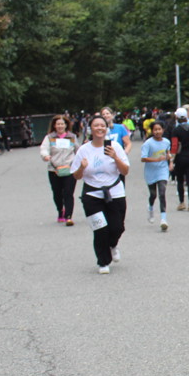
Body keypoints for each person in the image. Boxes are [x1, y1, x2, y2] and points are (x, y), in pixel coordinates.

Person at [71, 115, 130, 274]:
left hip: (114, 192)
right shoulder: (84, 150)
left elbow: (125, 171)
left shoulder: (115, 147)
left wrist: (115, 157)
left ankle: (113, 244)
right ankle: (103, 262)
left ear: (106, 128)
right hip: (92, 193)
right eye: (96, 125)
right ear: (90, 129)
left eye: (102, 125)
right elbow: (76, 176)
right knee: (100, 229)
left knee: (117, 227)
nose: (99, 128)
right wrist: (82, 167)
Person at [39, 114, 79, 225]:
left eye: (62, 124)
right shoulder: (49, 137)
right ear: (54, 126)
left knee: (68, 193)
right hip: (54, 169)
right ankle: (60, 210)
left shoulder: (72, 137)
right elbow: (44, 149)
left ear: (66, 125)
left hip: (69, 169)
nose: (60, 126)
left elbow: (78, 150)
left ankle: (69, 216)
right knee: (57, 193)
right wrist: (45, 156)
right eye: (58, 124)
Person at [140, 120, 171, 231]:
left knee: (162, 193)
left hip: (162, 170)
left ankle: (163, 219)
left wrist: (170, 161)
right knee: (153, 195)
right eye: (155, 130)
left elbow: (168, 153)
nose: (157, 131)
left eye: (159, 129)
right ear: (152, 131)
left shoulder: (166, 142)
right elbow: (143, 158)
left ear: (163, 130)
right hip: (151, 172)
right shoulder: (148, 143)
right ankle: (150, 208)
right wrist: (156, 159)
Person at [169, 108, 189, 212]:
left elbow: (174, 146)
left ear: (177, 117)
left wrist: (172, 159)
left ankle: (182, 203)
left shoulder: (176, 130)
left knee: (180, 181)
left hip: (180, 158)